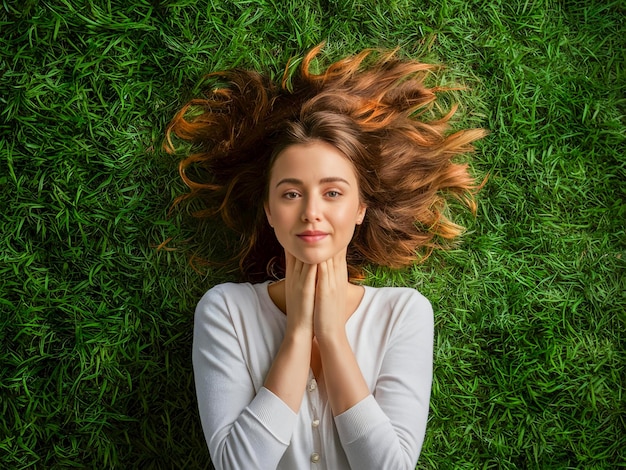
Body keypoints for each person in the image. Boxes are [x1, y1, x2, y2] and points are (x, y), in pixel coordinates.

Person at [164, 43, 485, 469]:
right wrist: (297, 332)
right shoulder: (225, 310)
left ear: (359, 209)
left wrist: (332, 336)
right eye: (291, 193)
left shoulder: (404, 313)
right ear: (269, 211)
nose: (311, 211)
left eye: (333, 193)